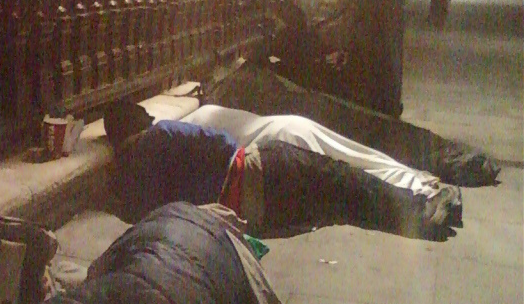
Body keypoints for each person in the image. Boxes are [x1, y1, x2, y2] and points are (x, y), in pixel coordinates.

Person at [103, 100, 462, 241]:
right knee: (346, 180)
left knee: (340, 204)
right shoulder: (163, 133)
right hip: (261, 171)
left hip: (254, 215)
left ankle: (417, 219)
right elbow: (222, 144)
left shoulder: (129, 181)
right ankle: (420, 208)